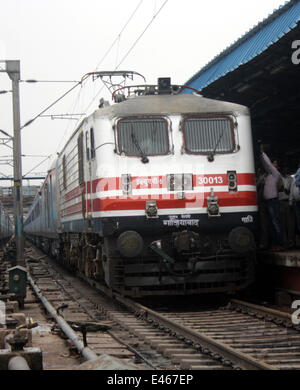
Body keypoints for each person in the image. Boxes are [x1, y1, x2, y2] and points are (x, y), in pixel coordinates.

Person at [260, 145, 283, 251]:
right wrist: (261, 156)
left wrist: (263, 153)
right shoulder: (268, 175)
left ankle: (279, 243)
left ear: (276, 166)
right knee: (271, 223)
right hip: (268, 201)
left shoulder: (276, 174)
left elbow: (268, 164)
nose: (273, 165)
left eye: (275, 164)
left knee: (275, 222)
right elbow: (266, 165)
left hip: (273, 201)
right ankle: (274, 243)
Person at [279, 166, 295, 248]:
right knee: (282, 223)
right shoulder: (278, 178)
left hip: (288, 202)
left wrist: (291, 201)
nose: (285, 169)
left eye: (286, 168)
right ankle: (284, 242)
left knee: (290, 223)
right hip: (280, 202)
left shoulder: (290, 178)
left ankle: (291, 241)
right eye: (284, 168)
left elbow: (291, 191)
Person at [290, 161, 300, 239]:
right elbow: (292, 189)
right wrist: (291, 201)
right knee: (298, 220)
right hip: (297, 202)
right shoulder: (295, 176)